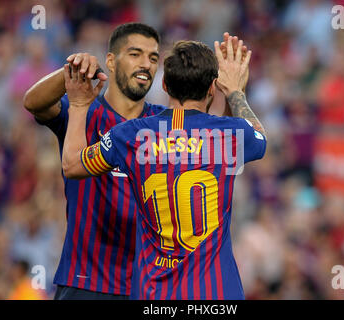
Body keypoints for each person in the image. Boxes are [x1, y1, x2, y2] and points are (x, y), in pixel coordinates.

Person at [61, 36, 267, 299]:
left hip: (154, 295)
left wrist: (78, 106)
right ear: (212, 89)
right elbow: (260, 136)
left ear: (166, 85)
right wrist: (236, 91)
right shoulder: (232, 134)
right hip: (216, 295)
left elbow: (72, 165)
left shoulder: (130, 136)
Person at [23, 22, 166, 300]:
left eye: (153, 58)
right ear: (110, 61)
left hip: (146, 286)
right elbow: (33, 102)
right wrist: (71, 69)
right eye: (135, 54)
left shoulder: (165, 123)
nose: (146, 64)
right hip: (85, 283)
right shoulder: (83, 109)